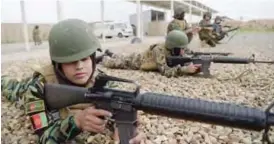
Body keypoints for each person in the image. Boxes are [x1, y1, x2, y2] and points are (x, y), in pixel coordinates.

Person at [1, 19, 144, 144]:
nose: (80, 66)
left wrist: (124, 127)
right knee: (7, 85)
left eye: (85, 59)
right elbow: (43, 136)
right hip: (22, 90)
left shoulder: (102, 81)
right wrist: (76, 122)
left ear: (93, 59)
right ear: (58, 64)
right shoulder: (38, 87)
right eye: (71, 62)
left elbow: (116, 112)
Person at [101, 30, 201, 78]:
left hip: (137, 56)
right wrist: (185, 70)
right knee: (112, 63)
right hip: (135, 61)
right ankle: (102, 57)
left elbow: (186, 56)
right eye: (181, 49)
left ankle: (110, 53)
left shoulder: (172, 49)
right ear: (173, 46)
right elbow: (165, 71)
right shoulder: (159, 50)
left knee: (120, 56)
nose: (183, 52)